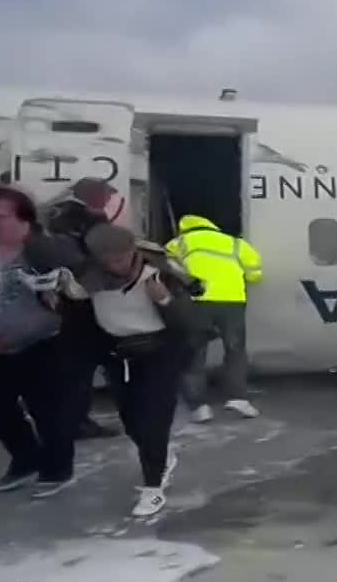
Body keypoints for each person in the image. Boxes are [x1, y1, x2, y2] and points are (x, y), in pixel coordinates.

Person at [65, 224, 203, 517]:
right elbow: (75, 309)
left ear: (134, 252)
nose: (115, 264)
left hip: (160, 355)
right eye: (107, 259)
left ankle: (152, 489)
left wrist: (164, 300)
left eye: (120, 257)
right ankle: (161, 457)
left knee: (154, 421)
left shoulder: (160, 275)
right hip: (119, 356)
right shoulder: (89, 280)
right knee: (133, 423)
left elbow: (190, 324)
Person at [0, 182, 83, 498]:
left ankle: (58, 468)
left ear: (24, 219)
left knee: (47, 409)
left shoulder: (43, 248)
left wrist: (58, 294)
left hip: (43, 343)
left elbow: (79, 285)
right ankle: (27, 458)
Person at [43, 178, 126, 441]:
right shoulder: (88, 220)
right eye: (106, 196)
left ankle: (67, 420)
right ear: (94, 197)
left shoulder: (58, 217)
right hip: (84, 303)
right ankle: (76, 423)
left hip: (62, 301)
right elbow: (102, 258)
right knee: (82, 369)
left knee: (73, 369)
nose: (108, 201)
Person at [165, 213, 263, 422]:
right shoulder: (234, 242)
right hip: (232, 301)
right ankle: (238, 398)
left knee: (195, 354)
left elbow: (167, 267)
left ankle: (199, 407)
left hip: (196, 302)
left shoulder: (179, 243)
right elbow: (255, 273)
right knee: (235, 350)